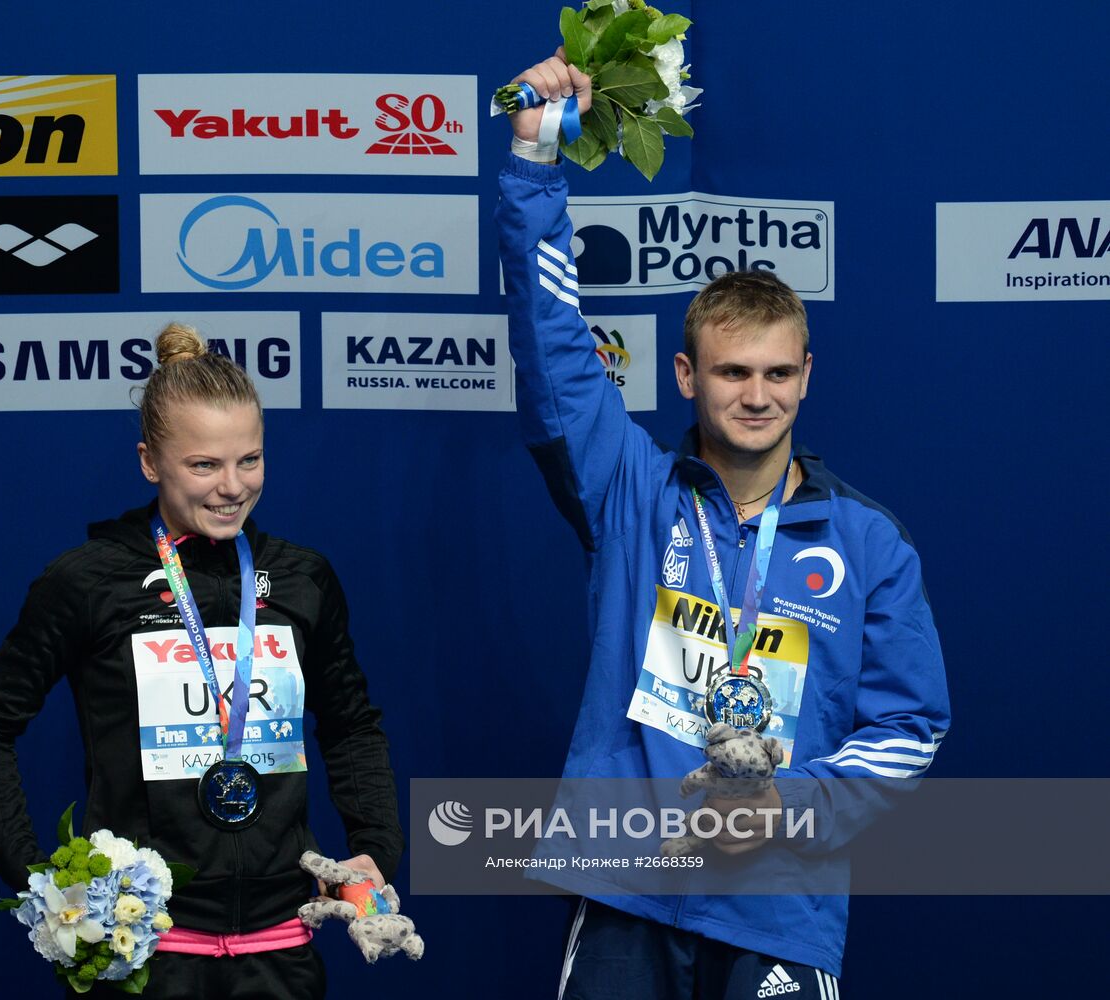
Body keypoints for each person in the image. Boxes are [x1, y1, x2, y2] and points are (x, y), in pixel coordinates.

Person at [497, 53, 950, 1000]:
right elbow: (555, 348)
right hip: (632, 881)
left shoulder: (867, 542)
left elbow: (909, 724)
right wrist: (535, 164)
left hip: (781, 898)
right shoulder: (633, 491)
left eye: (778, 374)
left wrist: (786, 807)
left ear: (807, 378)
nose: (757, 395)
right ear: (686, 377)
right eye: (733, 372)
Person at [0, 323, 402, 1000]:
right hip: (149, 956)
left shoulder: (302, 578)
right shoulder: (88, 582)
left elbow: (350, 725)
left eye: (249, 460)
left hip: (282, 951)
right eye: (204, 465)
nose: (232, 487)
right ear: (149, 461)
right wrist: (35, 876)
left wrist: (377, 847)